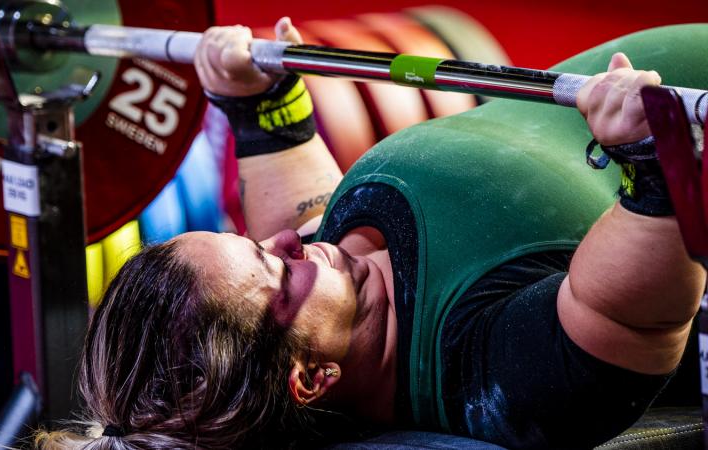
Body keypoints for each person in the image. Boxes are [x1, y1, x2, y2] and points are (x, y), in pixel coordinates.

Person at [35, 19, 706, 449]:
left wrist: (258, 105)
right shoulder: (495, 373)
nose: (287, 242)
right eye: (282, 274)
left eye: (249, 243)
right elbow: (627, 310)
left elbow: (299, 209)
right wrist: (654, 160)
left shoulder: (316, 295)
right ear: (310, 379)